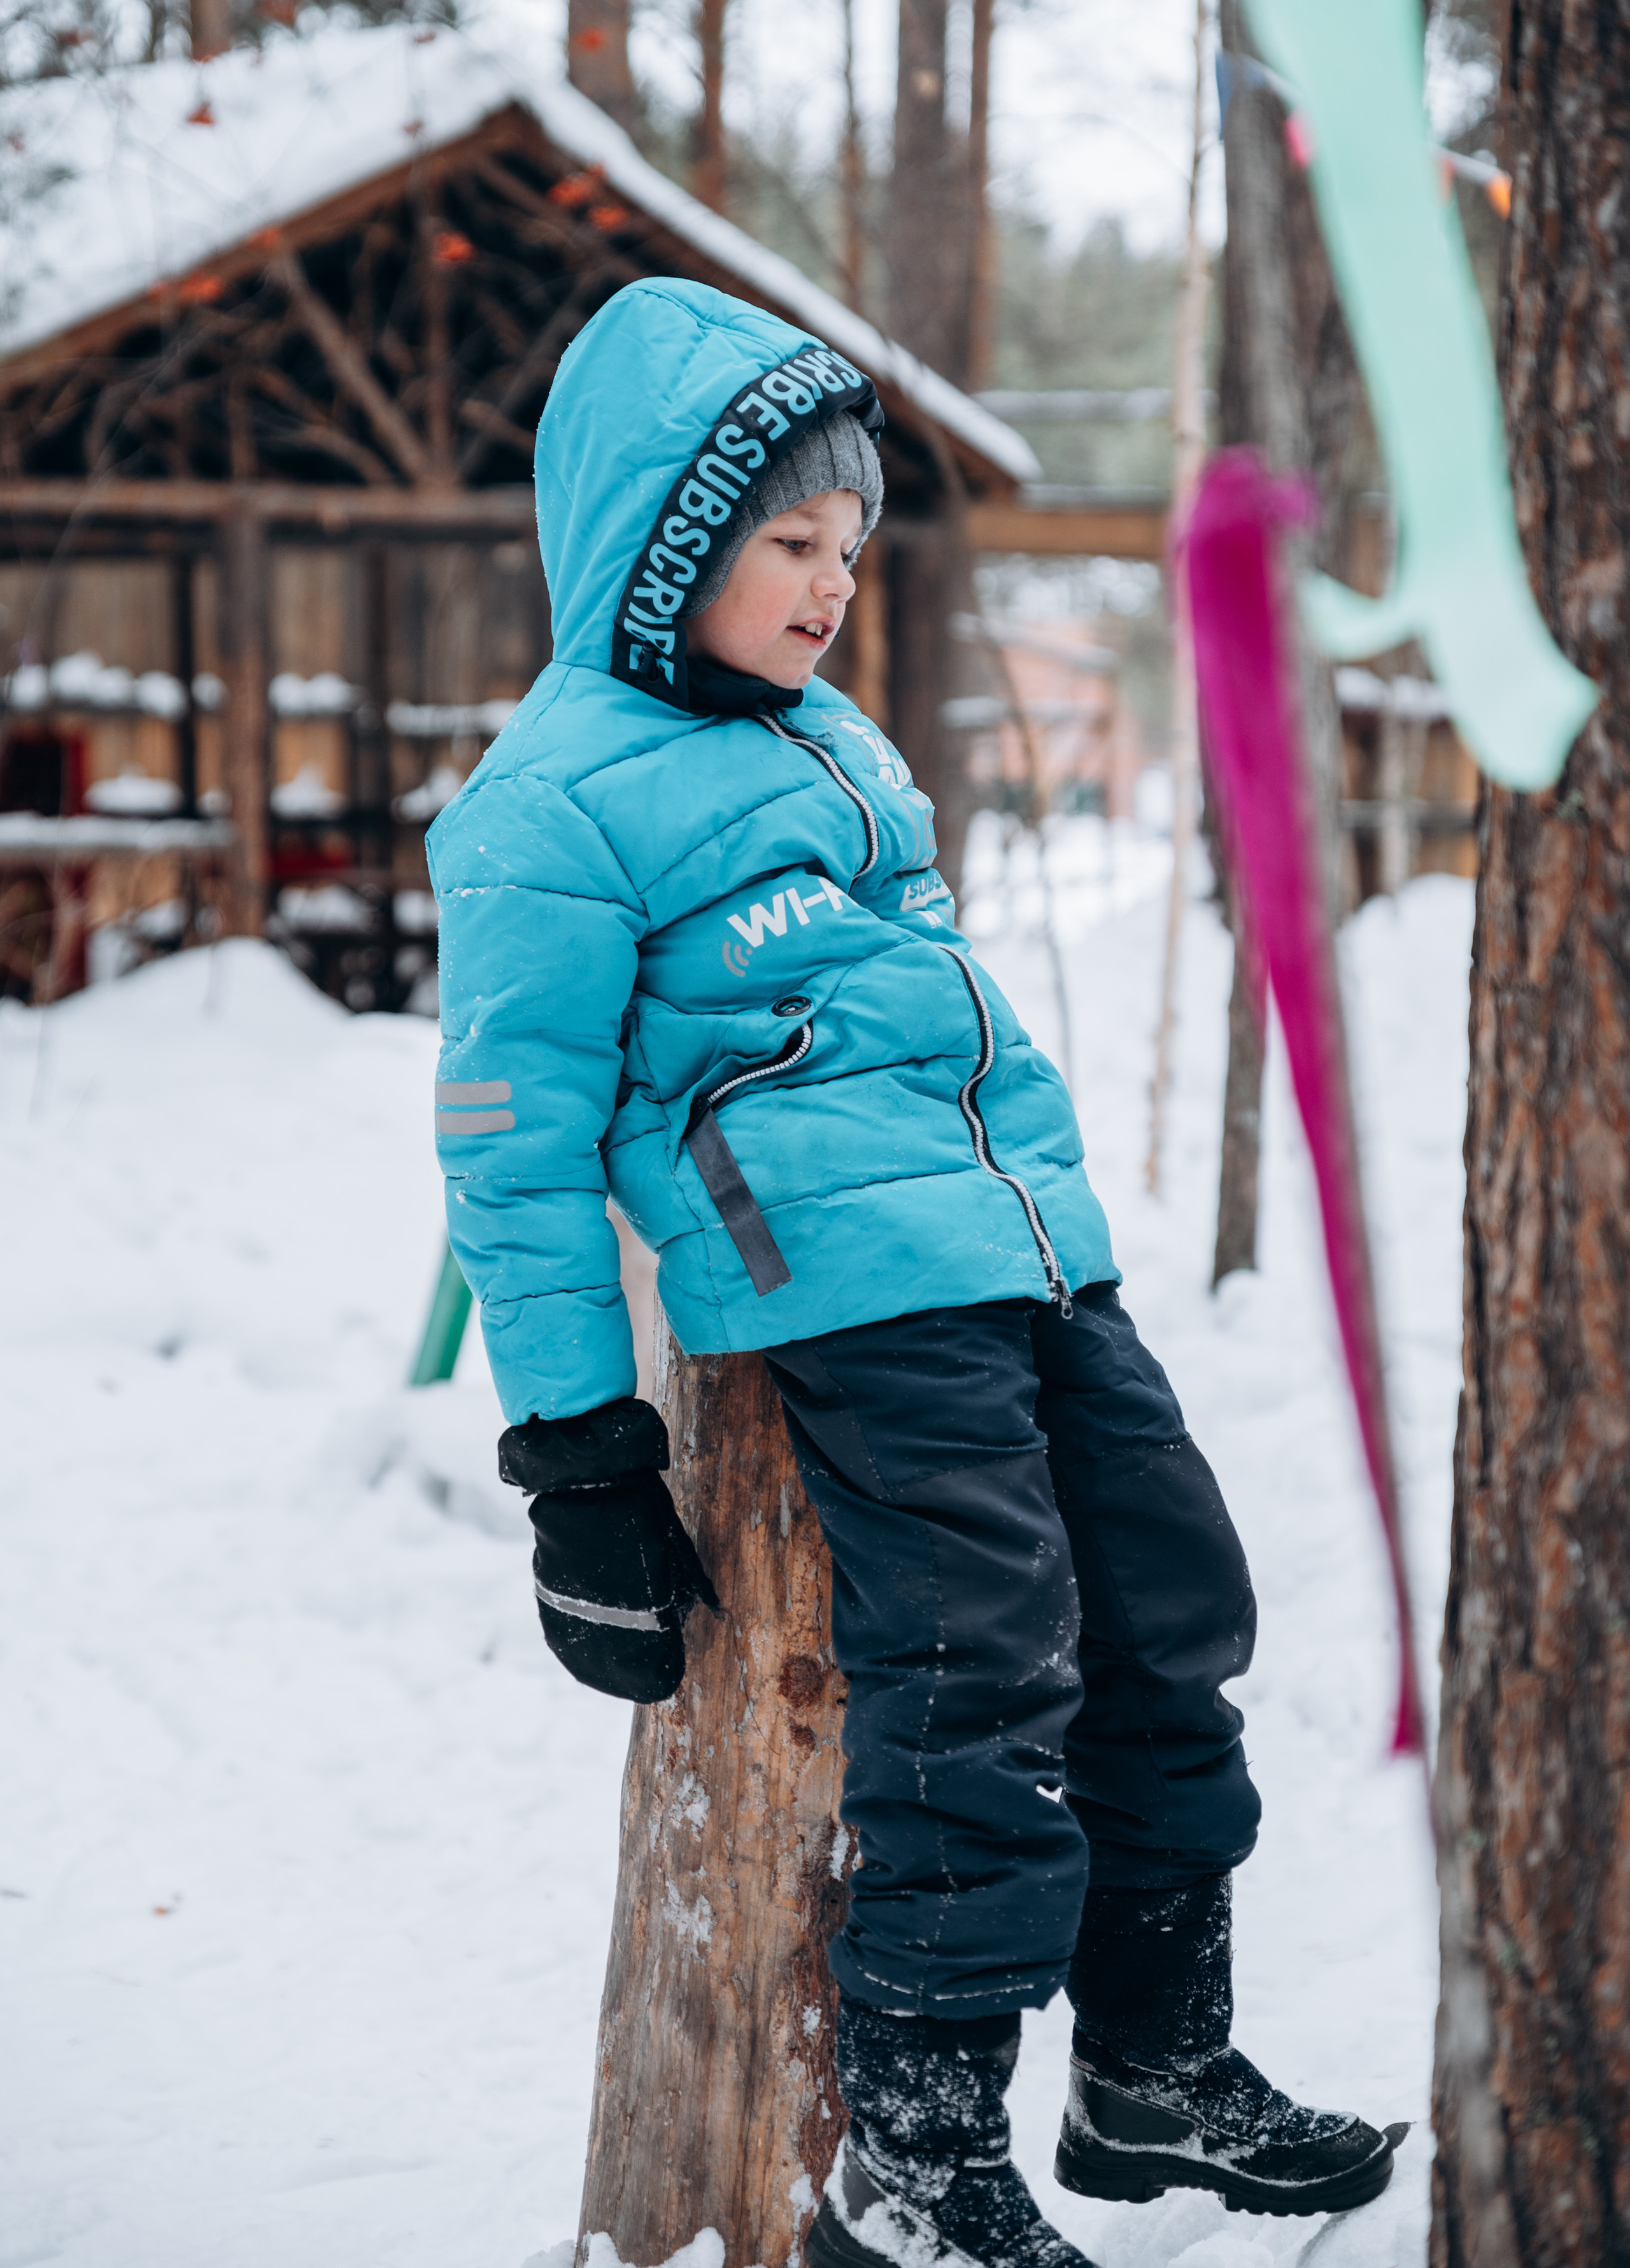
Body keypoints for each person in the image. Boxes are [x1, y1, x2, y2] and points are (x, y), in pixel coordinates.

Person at [429, 280, 1398, 2268]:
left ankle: (1152, 2060)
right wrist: (581, 1458)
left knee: (1168, 1605)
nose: (829, 583)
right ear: (661, 541)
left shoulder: (843, 744)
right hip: (843, 1282)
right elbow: (511, 1148)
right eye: (788, 541)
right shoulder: (550, 806)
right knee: (981, 1655)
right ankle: (924, 2145)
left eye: (850, 546)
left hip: (1027, 1241)